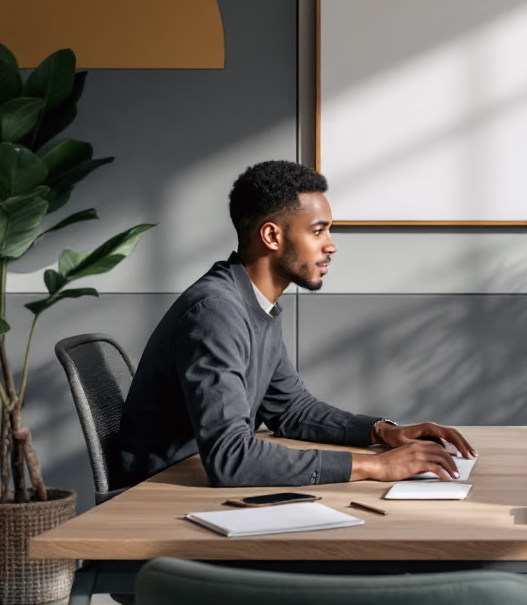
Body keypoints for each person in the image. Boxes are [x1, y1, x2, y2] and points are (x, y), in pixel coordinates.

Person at [115, 161, 475, 488]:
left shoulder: (253, 303)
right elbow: (231, 458)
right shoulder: (217, 313)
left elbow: (290, 409)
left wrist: (383, 433)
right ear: (272, 236)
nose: (331, 246)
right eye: (318, 232)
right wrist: (376, 466)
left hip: (191, 480)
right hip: (155, 496)